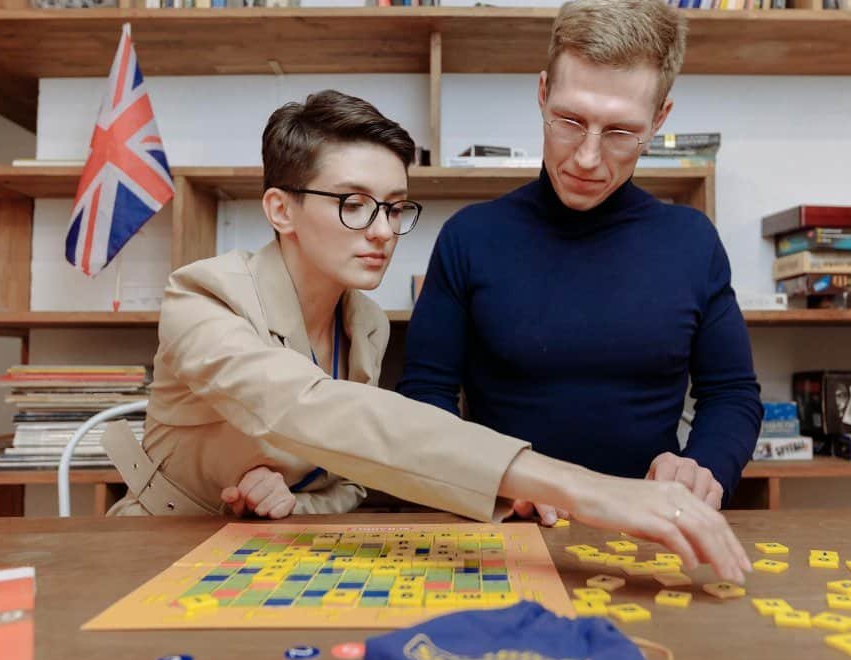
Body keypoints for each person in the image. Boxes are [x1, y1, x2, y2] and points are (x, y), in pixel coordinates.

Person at [104, 89, 751, 583]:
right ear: (281, 208)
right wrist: (580, 485)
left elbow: (351, 480)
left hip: (265, 556)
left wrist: (287, 507)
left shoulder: (368, 322)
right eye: (353, 202)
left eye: (394, 205)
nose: (383, 229)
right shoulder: (199, 296)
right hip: (152, 550)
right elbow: (307, 407)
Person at [398, 0, 763, 519]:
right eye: (569, 120)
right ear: (542, 92)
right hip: (506, 527)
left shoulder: (692, 242)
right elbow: (424, 397)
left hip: (647, 529)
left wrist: (703, 467)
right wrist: (490, 481)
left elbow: (731, 395)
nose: (588, 158)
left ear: (660, 118)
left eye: (619, 132)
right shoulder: (470, 238)